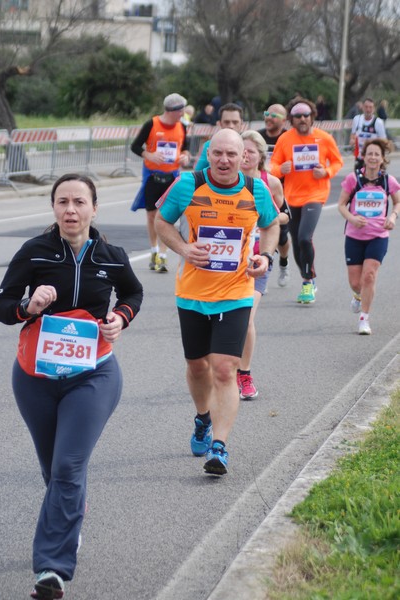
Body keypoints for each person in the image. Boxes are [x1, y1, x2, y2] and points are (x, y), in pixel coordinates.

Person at [0, 173, 143, 600]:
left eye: (79, 202)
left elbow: (133, 294)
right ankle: (71, 513)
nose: (70, 210)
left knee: (67, 467)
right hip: (35, 379)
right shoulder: (35, 252)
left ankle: (52, 569)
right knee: (53, 469)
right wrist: (27, 306)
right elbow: (2, 305)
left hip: (92, 375)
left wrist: (120, 318)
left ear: (94, 208)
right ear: (54, 207)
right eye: (62, 202)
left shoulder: (112, 255)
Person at [155, 129, 280, 474]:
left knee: (225, 368)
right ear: (208, 154)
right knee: (198, 366)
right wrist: (183, 249)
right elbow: (162, 220)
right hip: (192, 293)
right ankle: (202, 418)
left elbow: (271, 226)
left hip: (236, 292)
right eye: (218, 153)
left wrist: (266, 257)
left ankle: (220, 446)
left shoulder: (256, 189)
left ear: (244, 157)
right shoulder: (187, 184)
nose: (224, 160)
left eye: (232, 154)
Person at [270, 97, 344, 304]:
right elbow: (273, 164)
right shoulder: (285, 139)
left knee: (304, 237)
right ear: (291, 120)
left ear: (312, 117)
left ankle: (308, 281)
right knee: (296, 243)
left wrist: (327, 171)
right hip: (292, 195)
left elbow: (338, 161)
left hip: (316, 195)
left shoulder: (324, 138)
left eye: (305, 115)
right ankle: (306, 279)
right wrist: (280, 169)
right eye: (297, 116)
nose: (302, 119)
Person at [238, 129, 289, 400]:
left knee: (246, 316)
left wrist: (264, 219)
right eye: (242, 151)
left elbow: (283, 216)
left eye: (251, 152)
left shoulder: (271, 182)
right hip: (228, 262)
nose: (245, 156)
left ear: (260, 156)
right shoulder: (226, 182)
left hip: (258, 259)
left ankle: (244, 375)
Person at [337, 139, 400, 335]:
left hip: (378, 236)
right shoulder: (352, 180)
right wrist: (352, 218)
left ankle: (364, 319)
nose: (373, 157)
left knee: (369, 276)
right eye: (369, 154)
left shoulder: (388, 181)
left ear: (382, 159)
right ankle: (357, 296)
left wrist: (392, 216)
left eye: (377, 154)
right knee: (356, 283)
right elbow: (341, 205)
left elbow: (397, 203)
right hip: (354, 236)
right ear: (363, 157)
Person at [131, 93, 191, 272]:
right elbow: (135, 146)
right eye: (180, 111)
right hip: (152, 175)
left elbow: (185, 148)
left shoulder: (182, 126)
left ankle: (163, 255)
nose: (183, 114)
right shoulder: (152, 124)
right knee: (151, 215)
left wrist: (185, 157)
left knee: (166, 215)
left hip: (172, 176)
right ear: (172, 110)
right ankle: (154, 249)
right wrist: (149, 155)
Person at [258, 103, 291, 287]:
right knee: (258, 232)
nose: (269, 117)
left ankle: (284, 263)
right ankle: (262, 272)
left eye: (274, 115)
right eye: (266, 113)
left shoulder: (287, 138)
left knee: (282, 238)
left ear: (284, 120)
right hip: (258, 188)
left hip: (280, 191)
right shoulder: (258, 137)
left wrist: (286, 169)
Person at [194, 102, 244, 170]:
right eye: (226, 122)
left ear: (242, 124)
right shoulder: (209, 145)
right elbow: (197, 173)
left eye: (235, 122)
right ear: (220, 123)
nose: (231, 126)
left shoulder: (249, 146)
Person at [350, 98, 387, 171]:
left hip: (373, 159)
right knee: (358, 180)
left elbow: (384, 141)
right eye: (366, 107)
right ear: (363, 107)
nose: (368, 110)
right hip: (360, 157)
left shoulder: (378, 122)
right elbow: (353, 135)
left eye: (370, 107)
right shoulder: (357, 119)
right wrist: (352, 140)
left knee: (372, 181)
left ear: (374, 109)